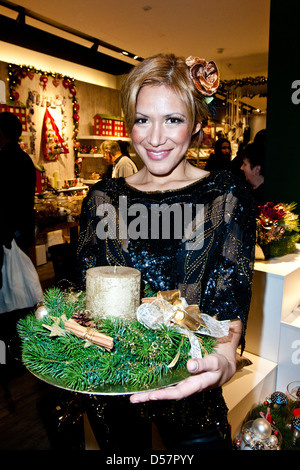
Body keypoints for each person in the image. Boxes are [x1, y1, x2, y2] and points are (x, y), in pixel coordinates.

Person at [77, 53, 256, 451]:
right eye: (143, 119)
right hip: (113, 386)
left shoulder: (225, 195)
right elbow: (86, 295)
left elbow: (230, 297)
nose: (155, 137)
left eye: (173, 119)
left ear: (195, 123)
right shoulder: (103, 199)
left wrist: (225, 358)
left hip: (192, 388)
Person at [240, 141, 265, 212]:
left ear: (257, 169)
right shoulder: (249, 190)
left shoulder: (262, 201)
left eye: (245, 164)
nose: (241, 168)